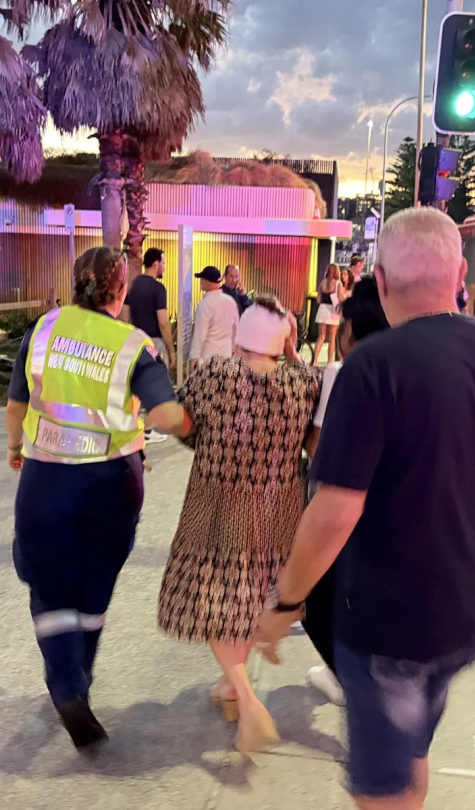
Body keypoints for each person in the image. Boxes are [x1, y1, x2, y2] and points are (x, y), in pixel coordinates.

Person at [254, 207, 475, 809]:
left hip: (390, 628)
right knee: (409, 750)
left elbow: (336, 510)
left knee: (382, 789)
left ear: (382, 281)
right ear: (460, 275)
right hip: (471, 616)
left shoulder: (373, 365)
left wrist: (285, 603)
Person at [5, 246, 191, 750]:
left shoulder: (42, 330)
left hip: (47, 480)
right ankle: (80, 678)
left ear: (76, 282)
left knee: (49, 584)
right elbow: (167, 416)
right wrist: (196, 425)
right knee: (95, 581)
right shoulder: (133, 345)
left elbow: (16, 405)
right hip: (113, 485)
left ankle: (68, 686)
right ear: (121, 290)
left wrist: (15, 447)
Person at [157, 297, 319, 754]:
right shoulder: (305, 383)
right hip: (279, 510)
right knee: (252, 598)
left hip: (220, 506)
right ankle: (230, 687)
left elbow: (187, 429)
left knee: (216, 599)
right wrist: (292, 356)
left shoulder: (215, 376)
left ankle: (247, 701)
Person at [302, 277, 391, 708]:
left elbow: (318, 444)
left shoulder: (343, 372)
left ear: (350, 330)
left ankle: (346, 678)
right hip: (386, 505)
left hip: (340, 504)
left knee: (312, 596)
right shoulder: (401, 365)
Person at [123, 247, 176, 445]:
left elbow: (124, 318)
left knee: (136, 386)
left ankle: (135, 426)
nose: (164, 267)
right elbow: (163, 322)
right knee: (156, 387)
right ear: (155, 264)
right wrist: (171, 350)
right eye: (163, 263)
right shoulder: (158, 289)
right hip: (155, 342)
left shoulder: (132, 286)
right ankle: (148, 430)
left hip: (136, 341)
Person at [188, 266, 239, 372]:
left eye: (202, 279)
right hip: (226, 356)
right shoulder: (230, 301)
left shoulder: (204, 305)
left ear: (207, 282)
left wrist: (194, 357)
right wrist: (233, 350)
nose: (201, 282)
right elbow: (236, 329)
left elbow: (200, 335)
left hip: (208, 359)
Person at [312, 264, 343, 366]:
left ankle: (315, 360)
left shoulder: (322, 283)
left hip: (322, 310)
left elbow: (318, 300)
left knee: (321, 336)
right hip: (333, 311)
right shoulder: (338, 283)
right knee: (332, 338)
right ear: (337, 272)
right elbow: (340, 298)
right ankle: (329, 362)